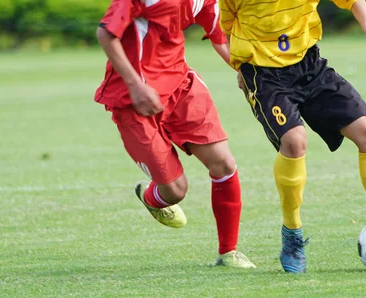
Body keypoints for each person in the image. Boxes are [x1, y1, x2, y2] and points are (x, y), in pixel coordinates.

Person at [218, 0, 366, 273]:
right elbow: (227, 26)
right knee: (294, 141)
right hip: (264, 76)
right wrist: (239, 68)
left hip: (310, 67)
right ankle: (292, 236)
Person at [94, 0, 255, 269]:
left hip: (182, 86)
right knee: (175, 191)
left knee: (224, 164)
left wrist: (247, 72)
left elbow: (221, 38)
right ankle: (151, 197)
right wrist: (136, 85)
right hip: (133, 99)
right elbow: (106, 33)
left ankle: (229, 252)